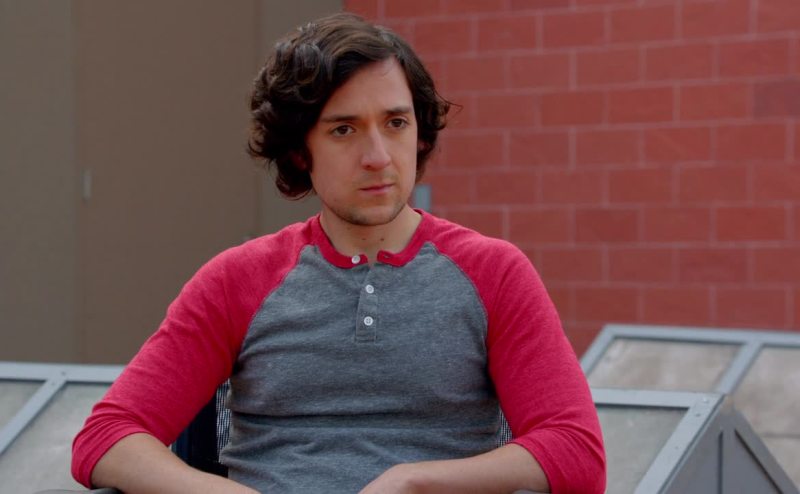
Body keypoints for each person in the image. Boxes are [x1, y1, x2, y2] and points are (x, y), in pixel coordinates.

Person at [72, 13, 605, 494]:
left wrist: (415, 481)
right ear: (299, 152)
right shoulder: (238, 279)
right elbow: (108, 436)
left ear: (420, 134)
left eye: (395, 123)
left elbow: (575, 449)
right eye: (344, 130)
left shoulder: (494, 272)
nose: (378, 157)